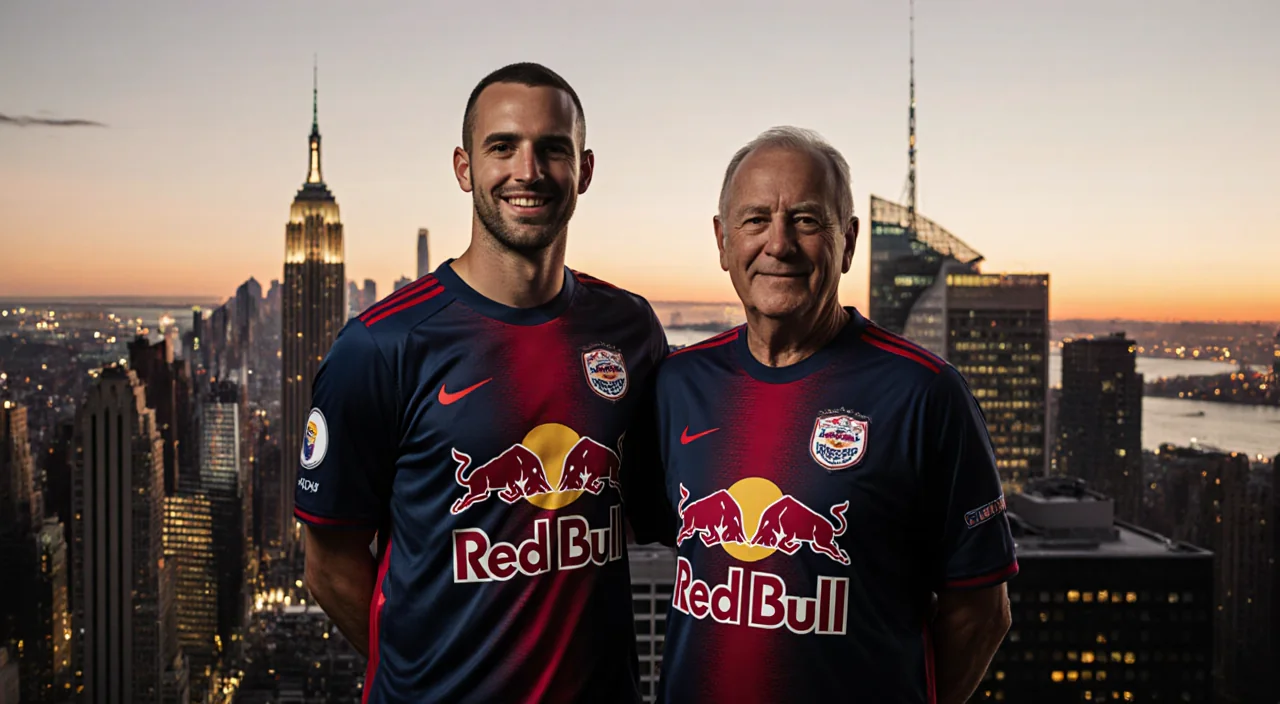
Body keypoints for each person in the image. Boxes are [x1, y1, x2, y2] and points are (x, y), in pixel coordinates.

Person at [294, 62, 666, 703]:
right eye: (503, 147)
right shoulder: (381, 346)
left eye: (553, 149)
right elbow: (328, 565)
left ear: (585, 170)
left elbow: (654, 509)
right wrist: (425, 683)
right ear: (465, 168)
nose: (528, 171)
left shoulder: (630, 328)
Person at [648, 127, 1015, 703]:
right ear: (722, 241)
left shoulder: (924, 392)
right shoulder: (677, 383)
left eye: (807, 220)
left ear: (847, 242)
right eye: (754, 220)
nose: (779, 244)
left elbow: (982, 613)